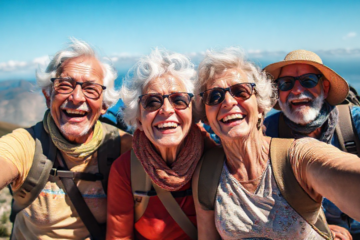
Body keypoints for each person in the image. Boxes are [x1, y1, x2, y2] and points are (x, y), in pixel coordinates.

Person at [193, 48, 360, 240]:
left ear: (261, 105)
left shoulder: (299, 153)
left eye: (241, 91)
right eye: (214, 97)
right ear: (206, 115)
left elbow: (331, 167)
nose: (228, 102)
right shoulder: (208, 172)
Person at [0, 38, 132, 240]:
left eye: (90, 88)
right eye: (64, 85)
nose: (77, 97)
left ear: (104, 105)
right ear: (48, 96)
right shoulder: (26, 145)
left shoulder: (123, 148)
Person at [106, 49, 205, 239]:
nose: (167, 110)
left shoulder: (213, 159)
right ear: (139, 120)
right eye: (152, 102)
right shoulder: (126, 170)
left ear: (193, 112)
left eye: (179, 100)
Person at [264, 49, 360, 239]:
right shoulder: (268, 131)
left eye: (308, 81)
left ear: (324, 88)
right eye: (286, 84)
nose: (297, 91)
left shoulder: (353, 123)